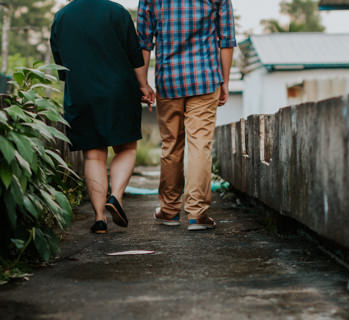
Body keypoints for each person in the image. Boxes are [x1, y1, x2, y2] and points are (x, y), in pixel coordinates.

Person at [50, 0, 155, 234]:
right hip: (119, 90)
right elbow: (135, 56)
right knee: (125, 147)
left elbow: (61, 64)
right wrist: (144, 86)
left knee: (93, 156)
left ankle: (99, 219)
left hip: (81, 93)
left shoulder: (62, 17)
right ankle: (116, 196)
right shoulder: (117, 12)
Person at [137, 0, 236, 231]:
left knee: (171, 145)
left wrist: (143, 83)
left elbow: (143, 42)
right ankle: (197, 214)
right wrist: (225, 81)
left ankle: (170, 211)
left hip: (169, 81)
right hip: (205, 78)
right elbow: (227, 40)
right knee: (200, 145)